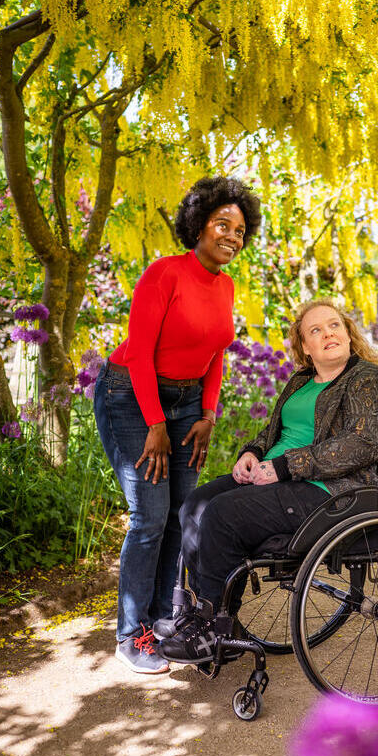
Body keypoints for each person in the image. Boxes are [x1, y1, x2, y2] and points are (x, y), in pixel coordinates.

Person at [155, 298, 378, 665]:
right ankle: (211, 617)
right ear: (305, 347)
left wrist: (286, 466)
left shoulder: (365, 378)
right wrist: (251, 453)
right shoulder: (301, 381)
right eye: (315, 331)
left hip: (330, 491)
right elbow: (275, 432)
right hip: (273, 477)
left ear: (349, 334)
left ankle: (212, 629)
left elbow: (361, 445)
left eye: (334, 326)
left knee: (223, 514)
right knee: (194, 506)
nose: (328, 334)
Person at [94, 176, 261, 674]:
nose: (232, 235)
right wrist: (155, 423)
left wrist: (207, 414)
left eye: (240, 228)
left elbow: (215, 356)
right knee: (148, 516)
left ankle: (166, 620)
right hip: (131, 396)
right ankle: (131, 634)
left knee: (178, 513)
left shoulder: (226, 285)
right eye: (222, 224)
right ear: (199, 225)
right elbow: (141, 353)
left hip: (188, 406)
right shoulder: (164, 274)